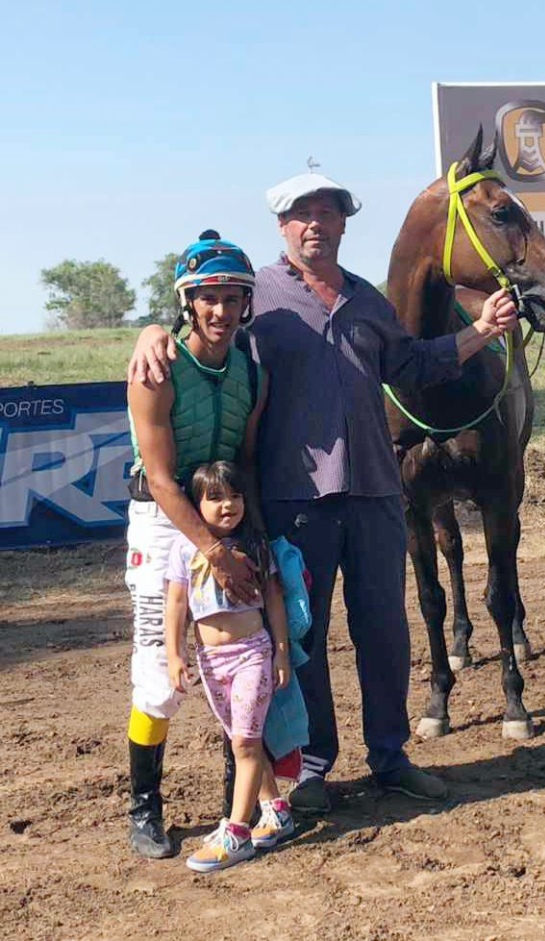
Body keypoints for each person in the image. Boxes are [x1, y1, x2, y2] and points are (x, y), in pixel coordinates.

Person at [128, 171, 519, 812]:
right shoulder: (258, 301)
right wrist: (151, 332)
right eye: (302, 214)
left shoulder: (368, 302)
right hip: (293, 500)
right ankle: (311, 766)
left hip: (373, 491)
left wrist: (482, 332)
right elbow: (204, 328)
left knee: (386, 630)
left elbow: (413, 364)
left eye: (328, 213)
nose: (316, 223)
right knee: (302, 639)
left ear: (344, 225)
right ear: (282, 227)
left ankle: (390, 757)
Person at [125, 230, 266, 858]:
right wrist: (214, 551)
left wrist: (247, 541)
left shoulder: (251, 374)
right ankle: (144, 807)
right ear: (187, 302)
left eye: (232, 296)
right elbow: (159, 479)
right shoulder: (157, 368)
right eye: (208, 297)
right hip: (163, 525)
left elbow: (248, 461)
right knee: (162, 674)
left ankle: (236, 799)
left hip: (223, 521)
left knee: (239, 658)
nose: (221, 309)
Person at [165, 461, 294, 873]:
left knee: (245, 744)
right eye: (216, 497)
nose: (228, 506)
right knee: (244, 738)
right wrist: (175, 652)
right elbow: (177, 604)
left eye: (235, 496)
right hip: (210, 661)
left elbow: (275, 599)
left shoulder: (256, 544)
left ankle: (237, 832)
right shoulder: (185, 548)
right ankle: (276, 810)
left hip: (252, 654)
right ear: (195, 503)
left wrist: (281, 652)